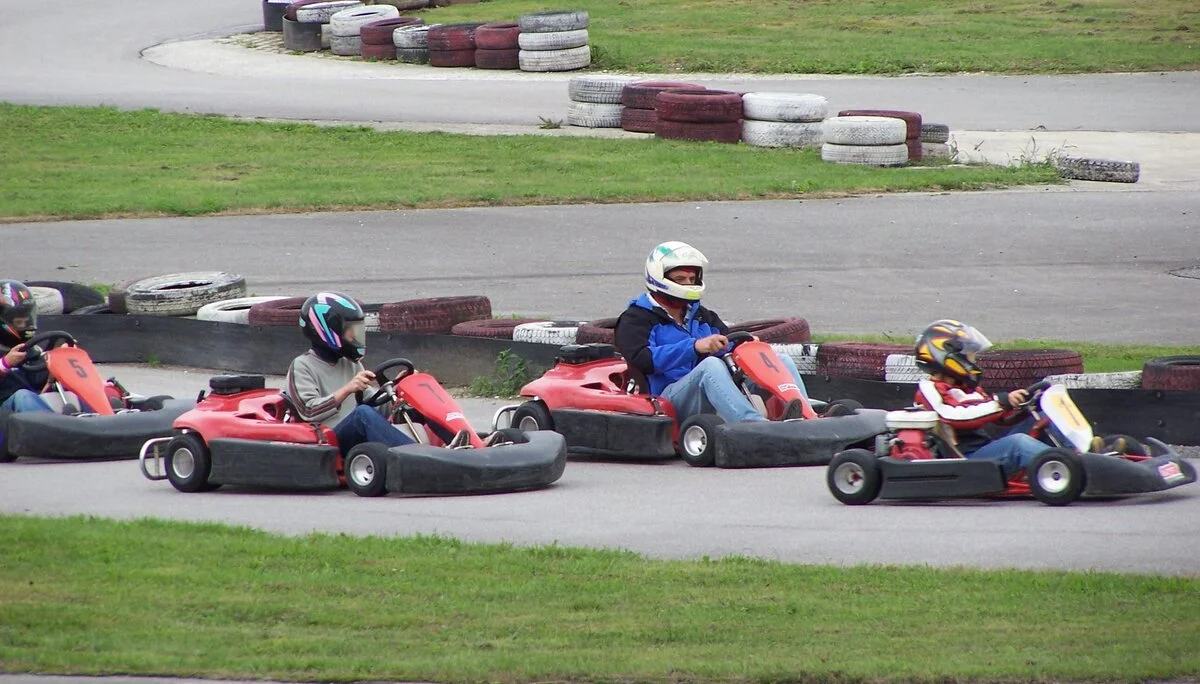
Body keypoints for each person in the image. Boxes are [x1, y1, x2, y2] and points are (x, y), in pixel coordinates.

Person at [614, 241, 810, 424]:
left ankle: (806, 416)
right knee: (711, 365)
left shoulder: (701, 315)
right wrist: (694, 347)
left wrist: (747, 345)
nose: (688, 284)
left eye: (692, 279)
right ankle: (753, 424)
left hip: (712, 389)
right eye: (680, 279)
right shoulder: (636, 318)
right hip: (665, 399)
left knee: (781, 360)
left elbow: (727, 345)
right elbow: (643, 359)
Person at [283, 291, 415, 456]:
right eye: (350, 331)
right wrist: (347, 390)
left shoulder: (350, 364)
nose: (355, 336)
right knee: (362, 414)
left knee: (416, 405)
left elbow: (373, 404)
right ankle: (417, 458)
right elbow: (309, 412)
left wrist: (397, 389)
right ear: (327, 330)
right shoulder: (302, 366)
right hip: (327, 440)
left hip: (355, 433)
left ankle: (453, 446)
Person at [913, 319, 1048, 477]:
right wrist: (1000, 403)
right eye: (970, 355)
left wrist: (1025, 407)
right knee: (1018, 444)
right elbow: (951, 415)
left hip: (984, 449)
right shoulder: (929, 389)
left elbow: (1000, 419)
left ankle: (1076, 458)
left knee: (1044, 418)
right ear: (948, 355)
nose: (974, 360)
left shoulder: (968, 388)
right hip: (965, 461)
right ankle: (1066, 468)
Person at [0, 280, 54, 429]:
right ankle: (55, 434)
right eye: (19, 322)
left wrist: (58, 365)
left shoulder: (31, 350)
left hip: (29, 414)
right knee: (23, 396)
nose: (26, 326)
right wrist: (5, 364)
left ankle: (98, 425)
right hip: (5, 415)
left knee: (70, 394)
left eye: (27, 320)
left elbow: (39, 384)